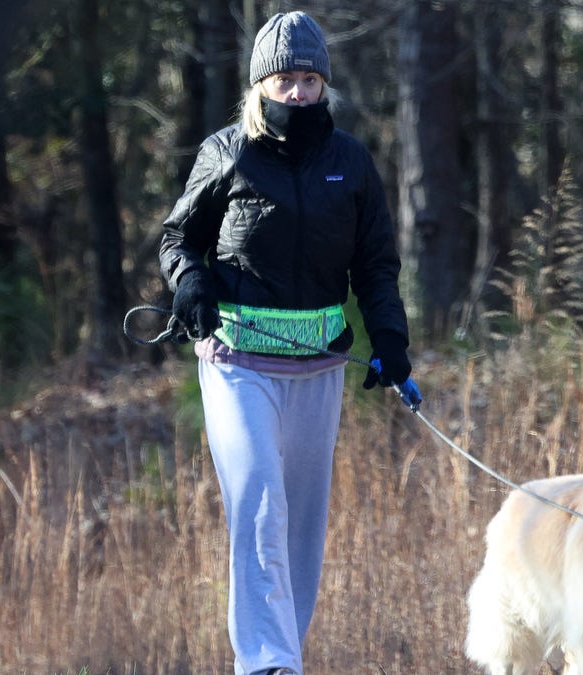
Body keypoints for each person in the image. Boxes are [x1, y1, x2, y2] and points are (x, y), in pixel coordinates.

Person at [158, 11, 417, 675]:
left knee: (301, 524)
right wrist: (189, 283)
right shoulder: (228, 152)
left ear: (324, 84)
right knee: (260, 502)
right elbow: (178, 239)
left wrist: (389, 336)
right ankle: (267, 662)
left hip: (319, 367)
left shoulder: (351, 162)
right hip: (238, 364)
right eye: (285, 79)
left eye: (309, 79)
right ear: (260, 86)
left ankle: (285, 654)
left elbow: (376, 263)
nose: (298, 92)